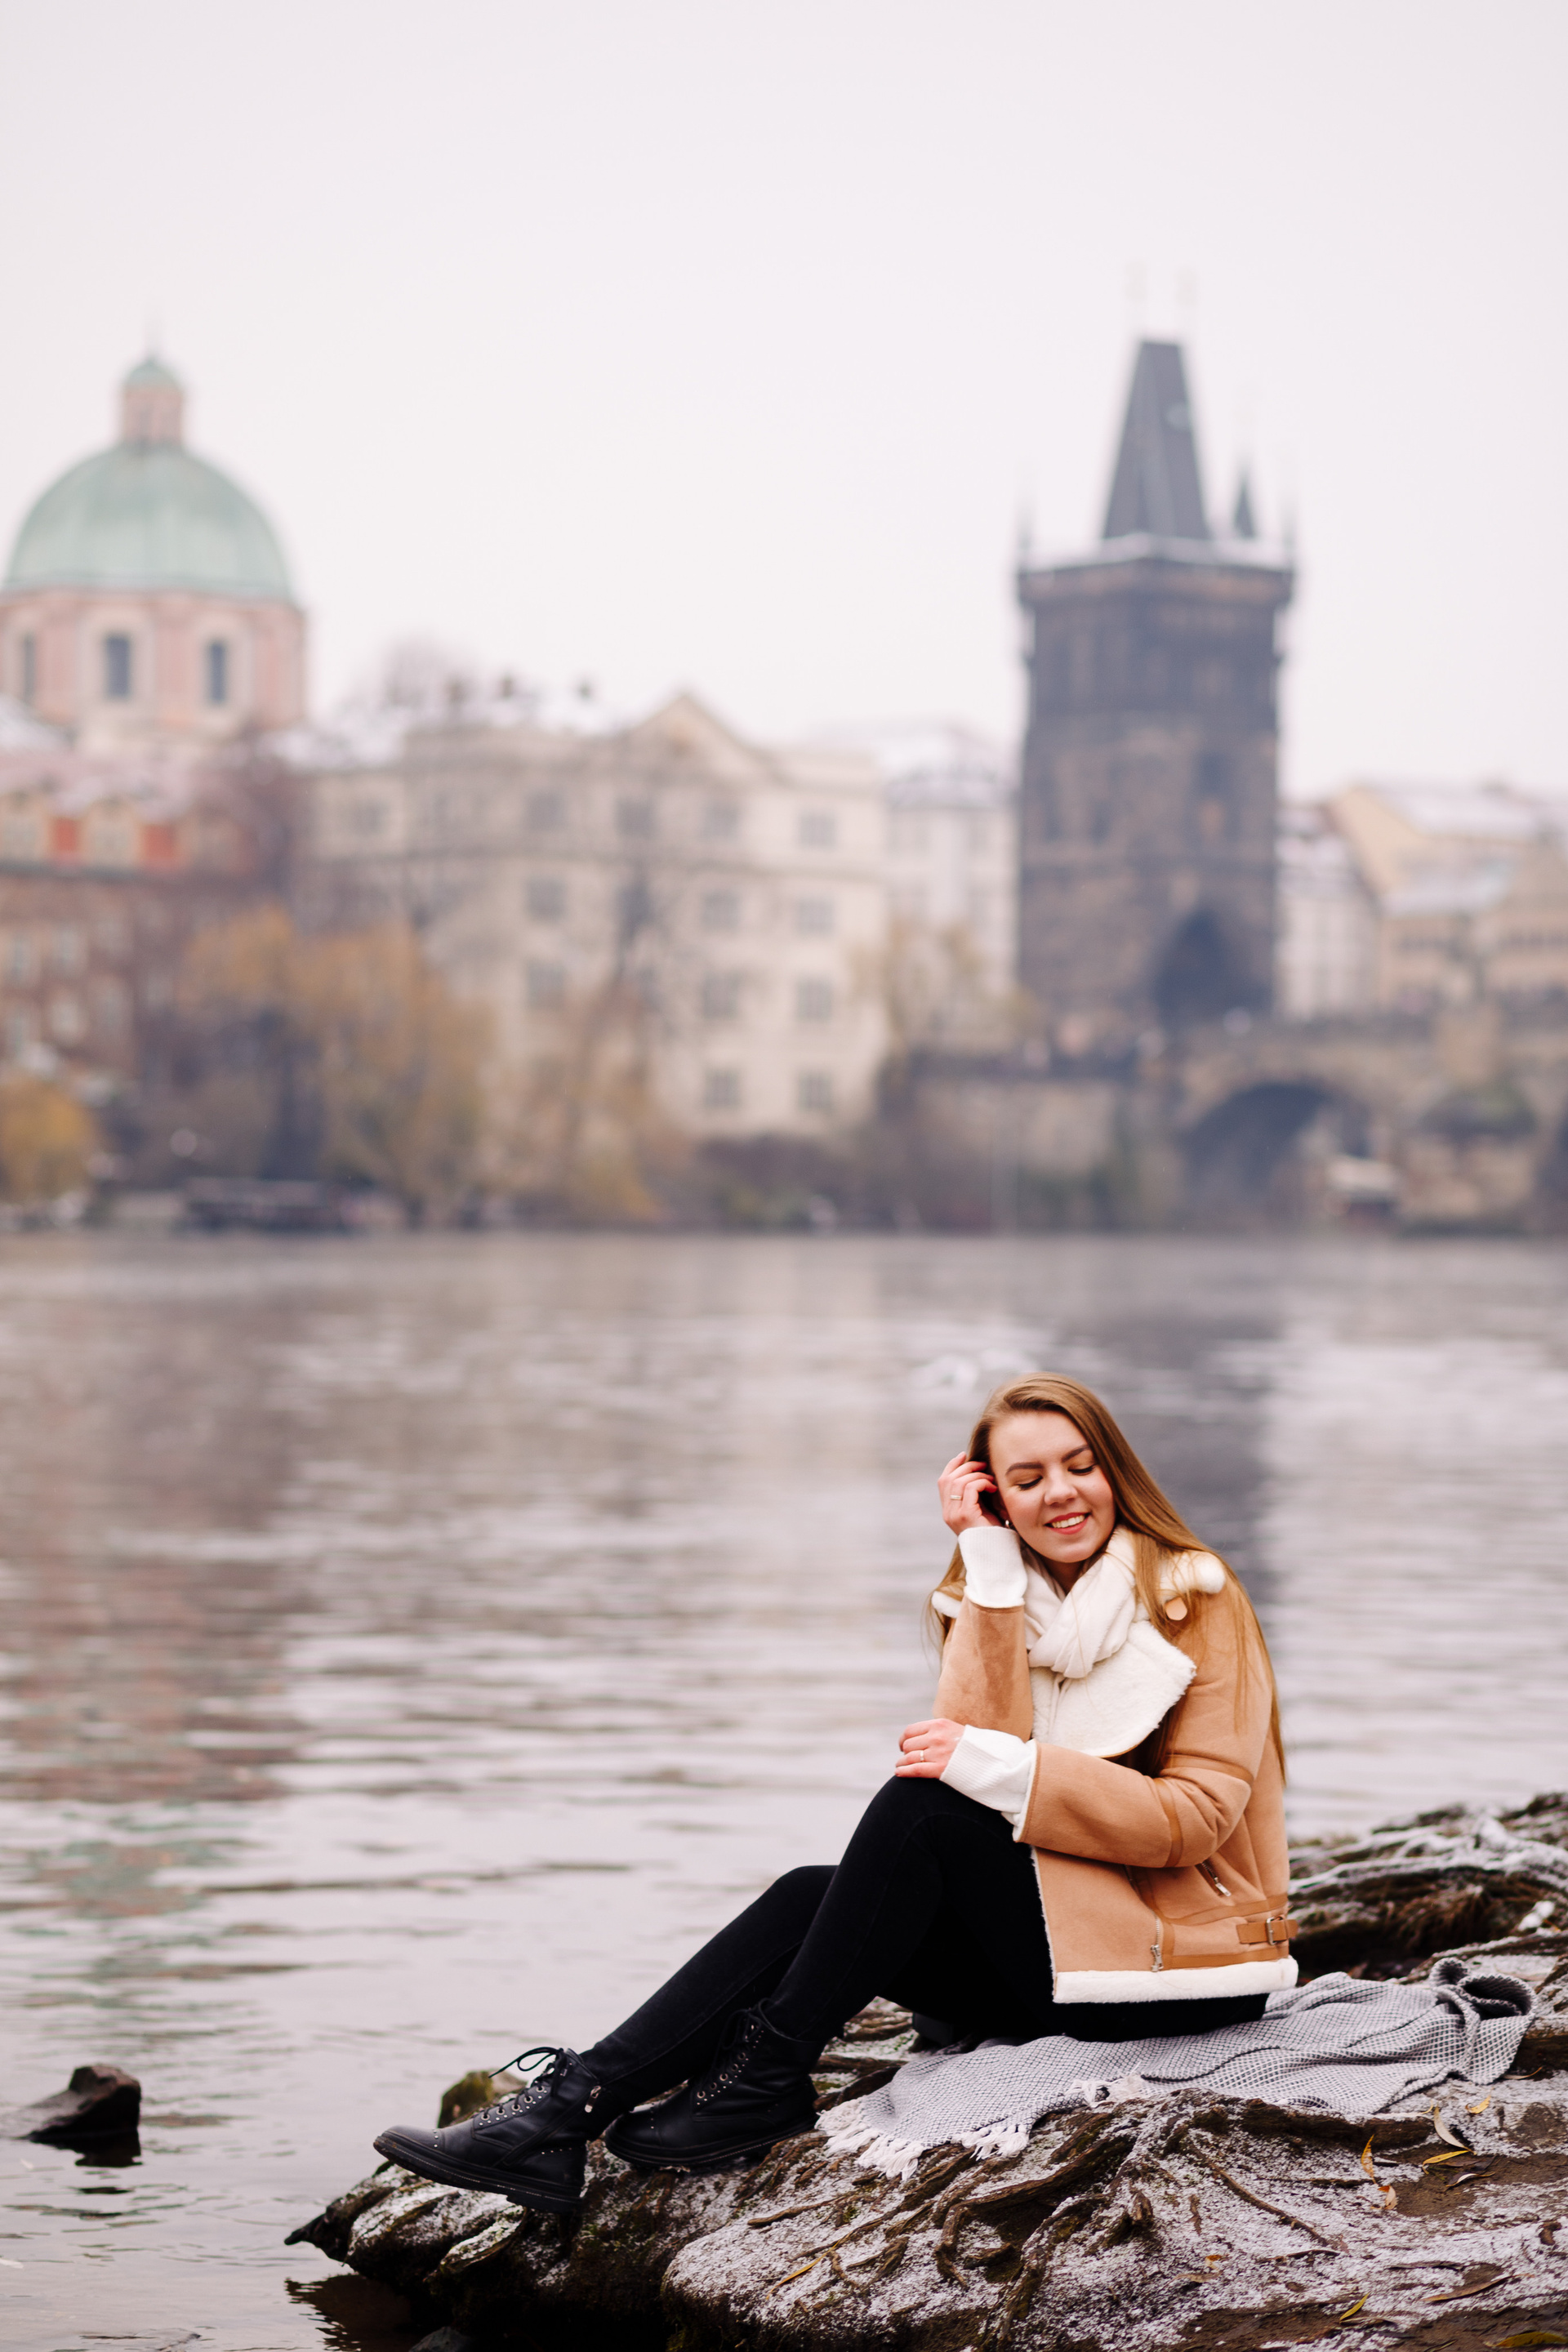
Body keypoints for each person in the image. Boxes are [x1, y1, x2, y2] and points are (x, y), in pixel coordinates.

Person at [373, 1373, 1293, 2215]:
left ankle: (763, 2075)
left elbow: (1193, 1820)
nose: (1060, 1493)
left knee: (920, 1810)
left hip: (1185, 1969)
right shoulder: (1002, 1597)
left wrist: (1016, 1774)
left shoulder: (1198, 1598)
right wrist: (989, 1568)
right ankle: (564, 2113)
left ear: (1115, 1471)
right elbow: (978, 1751)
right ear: (999, 1499)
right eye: (1027, 1479)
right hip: (1062, 1948)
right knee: (809, 1893)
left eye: (1079, 1466)